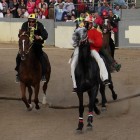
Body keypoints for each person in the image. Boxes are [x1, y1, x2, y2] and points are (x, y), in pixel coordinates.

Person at [70, 17, 110, 93]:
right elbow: (72, 42)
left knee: (99, 59)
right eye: (86, 22)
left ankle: (105, 78)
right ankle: (75, 85)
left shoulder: (96, 32)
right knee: (72, 64)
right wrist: (77, 42)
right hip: (80, 49)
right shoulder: (79, 30)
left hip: (91, 49)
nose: (88, 24)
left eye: (89, 23)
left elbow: (99, 44)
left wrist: (92, 42)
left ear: (92, 24)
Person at [15, 13, 48, 83]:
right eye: (29, 21)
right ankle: (18, 74)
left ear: (35, 21)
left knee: (42, 57)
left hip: (36, 44)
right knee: (18, 56)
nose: (31, 23)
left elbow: (45, 35)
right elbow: (21, 34)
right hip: (26, 45)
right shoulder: (24, 25)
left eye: (32, 21)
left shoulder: (40, 25)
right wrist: (21, 34)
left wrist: (39, 37)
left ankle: (43, 74)